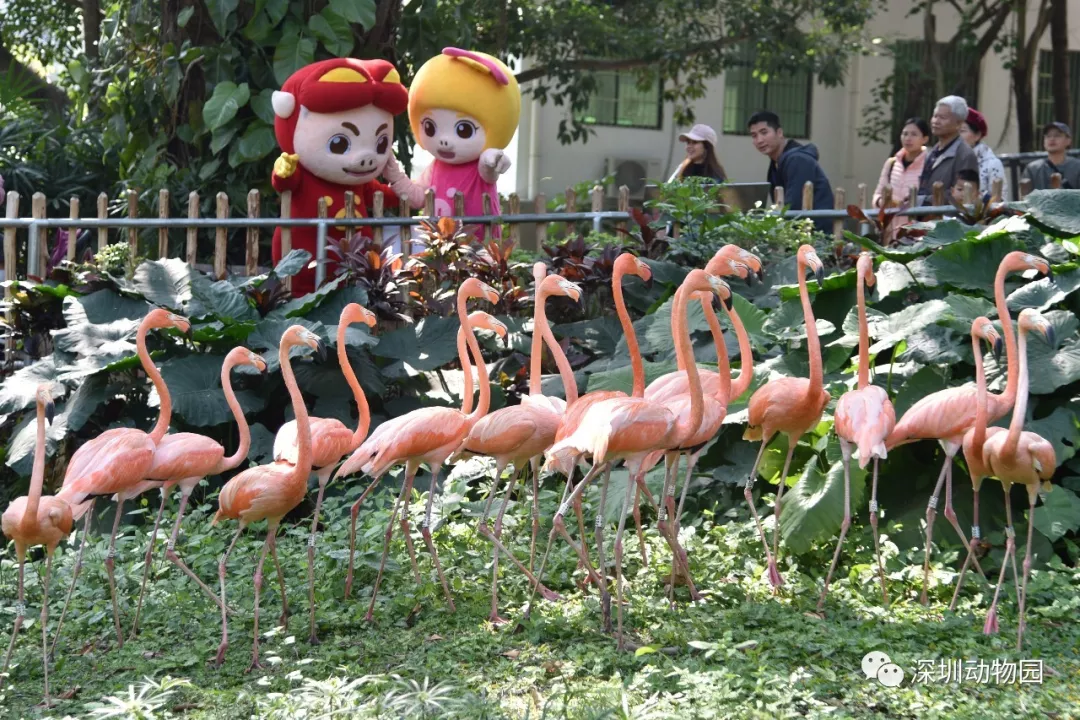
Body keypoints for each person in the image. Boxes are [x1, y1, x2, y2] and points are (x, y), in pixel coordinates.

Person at [747, 110, 833, 234]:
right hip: (800, 233)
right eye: (754, 136)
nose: (759, 140)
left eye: (764, 132)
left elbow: (793, 207)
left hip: (819, 235)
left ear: (779, 132)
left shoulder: (798, 160)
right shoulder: (776, 164)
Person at [872, 117, 930, 238]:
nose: (908, 138)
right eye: (905, 134)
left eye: (914, 134)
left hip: (917, 231)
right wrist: (883, 202)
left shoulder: (929, 164)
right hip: (890, 229)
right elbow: (877, 194)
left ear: (925, 139)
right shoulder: (891, 163)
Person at [917, 95, 979, 205]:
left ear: (959, 123)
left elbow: (962, 195)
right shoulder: (932, 152)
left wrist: (922, 200)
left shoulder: (965, 155)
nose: (936, 121)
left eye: (943, 117)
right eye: (935, 116)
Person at [959, 108, 1008, 199]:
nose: (957, 136)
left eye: (962, 131)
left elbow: (1000, 200)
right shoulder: (951, 159)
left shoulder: (992, 164)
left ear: (977, 135)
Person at [1022, 122, 1080, 190]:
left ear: (1068, 141)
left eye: (1057, 135)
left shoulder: (1077, 167)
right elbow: (1025, 195)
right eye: (1048, 136)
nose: (1052, 139)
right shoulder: (1033, 168)